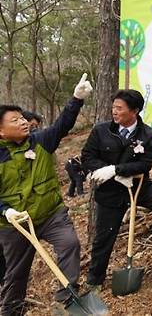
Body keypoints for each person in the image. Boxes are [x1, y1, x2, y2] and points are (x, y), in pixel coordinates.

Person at [0, 74, 92, 315]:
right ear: (1, 131)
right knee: (16, 273)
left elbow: (62, 125)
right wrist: (5, 210)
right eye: (14, 120)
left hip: (51, 214)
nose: (22, 122)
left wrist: (76, 99)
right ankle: (11, 310)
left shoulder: (40, 141)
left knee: (70, 244)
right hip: (15, 224)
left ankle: (65, 299)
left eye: (22, 118)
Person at [81, 89, 152, 292]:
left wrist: (117, 170)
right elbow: (87, 157)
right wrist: (108, 172)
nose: (114, 112)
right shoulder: (101, 131)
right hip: (110, 192)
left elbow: (145, 164)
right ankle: (94, 281)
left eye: (119, 108)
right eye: (113, 107)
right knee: (104, 237)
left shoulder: (148, 134)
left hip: (138, 188)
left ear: (134, 111)